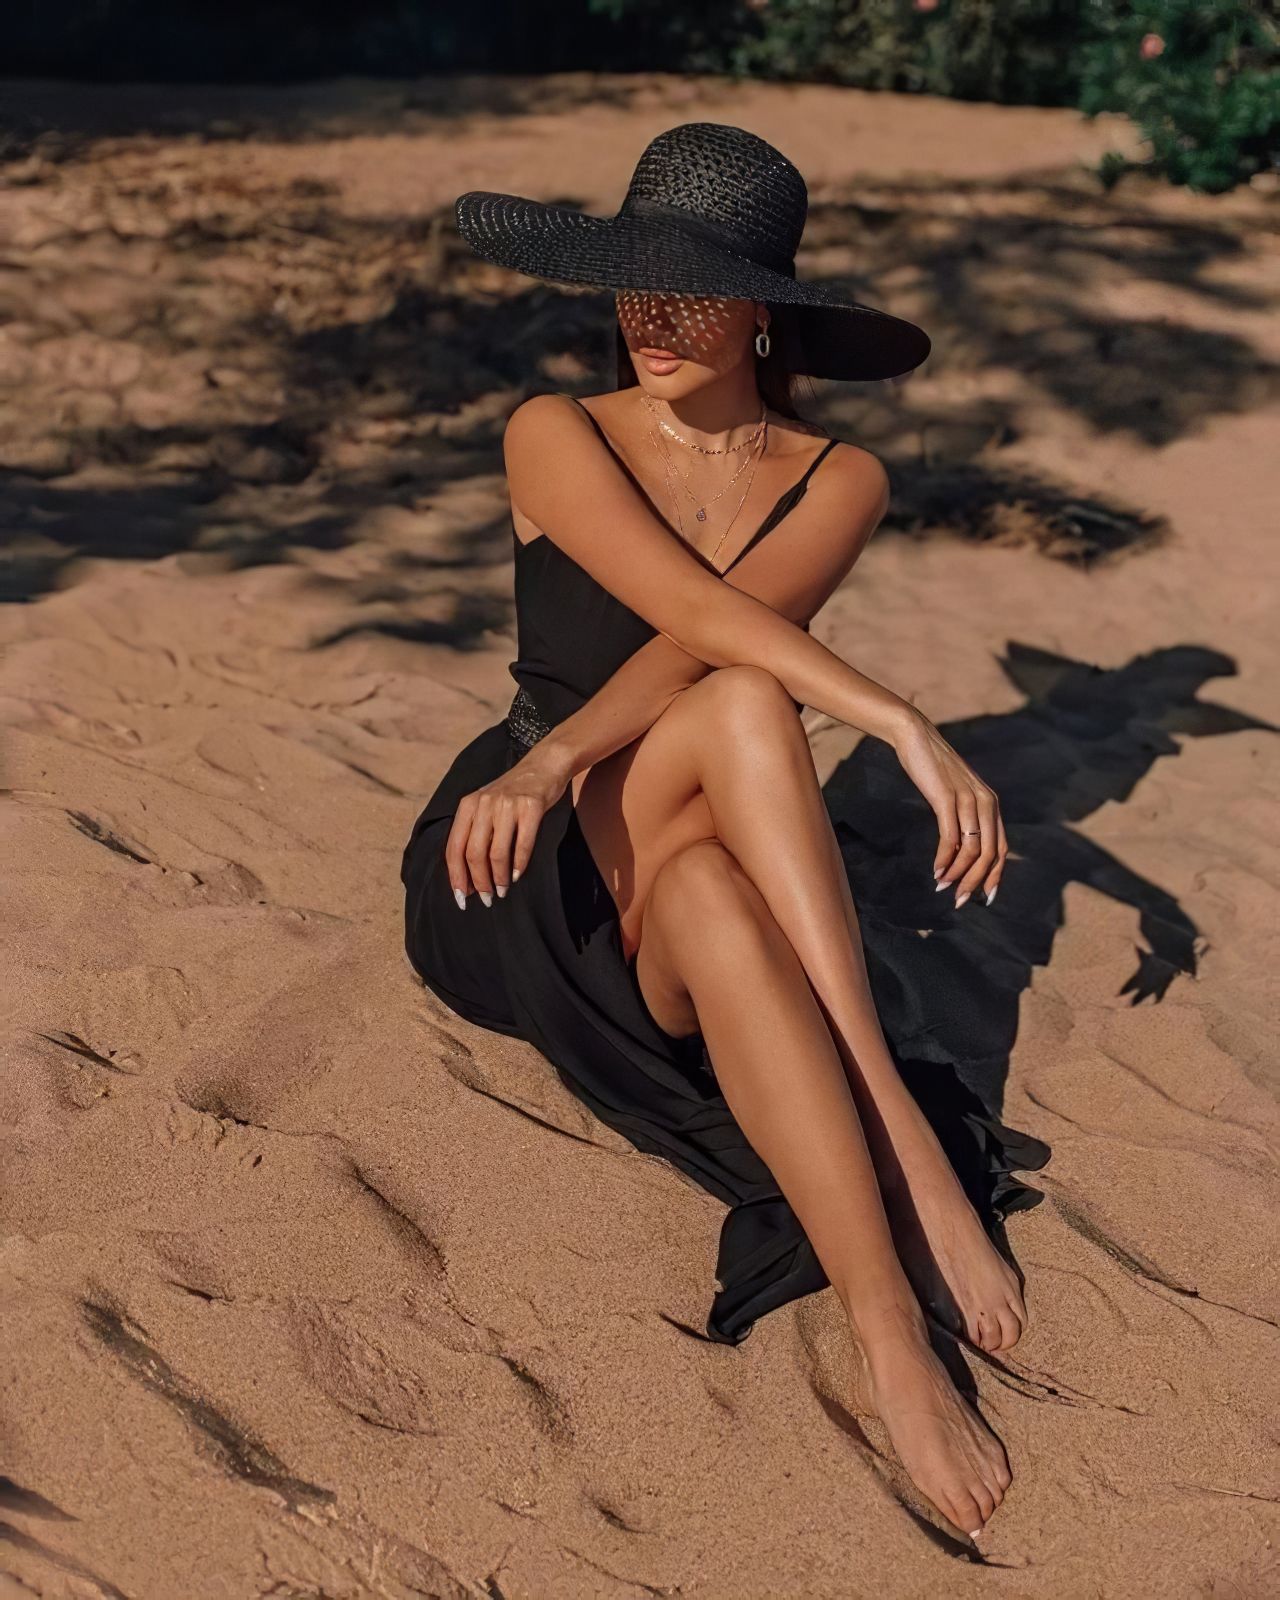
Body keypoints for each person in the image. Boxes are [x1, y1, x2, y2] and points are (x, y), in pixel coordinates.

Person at [400, 122, 1049, 1542]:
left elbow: (701, 650)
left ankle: (884, 1327)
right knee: (753, 699)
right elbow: (691, 612)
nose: (652, 318)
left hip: (670, 841)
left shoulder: (840, 477)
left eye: (691, 292)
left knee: (718, 834)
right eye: (634, 285)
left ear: (763, 311)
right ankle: (899, 1149)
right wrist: (897, 719)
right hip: (522, 852)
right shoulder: (555, 430)